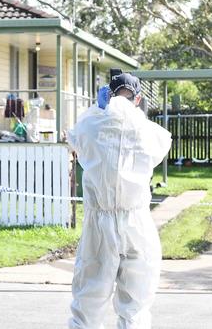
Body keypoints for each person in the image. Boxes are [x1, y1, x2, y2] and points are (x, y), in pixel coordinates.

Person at [67, 69, 172, 329]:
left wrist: (96, 110)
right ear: (137, 99)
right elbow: (159, 144)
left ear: (108, 96)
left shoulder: (91, 125)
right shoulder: (150, 133)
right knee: (135, 303)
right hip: (136, 223)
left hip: (99, 223)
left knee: (88, 300)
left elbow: (74, 137)